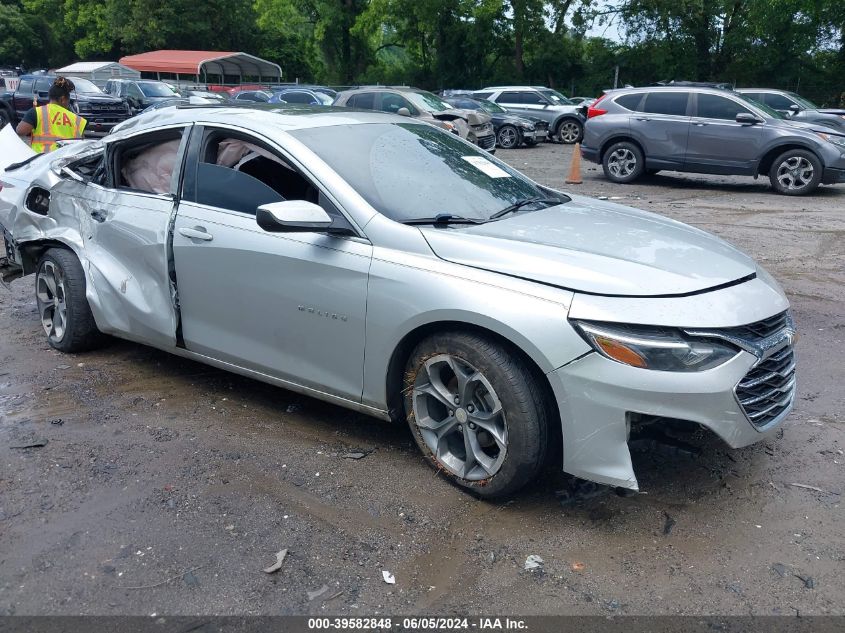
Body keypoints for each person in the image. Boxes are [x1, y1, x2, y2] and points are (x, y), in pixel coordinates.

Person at [16, 77, 87, 153]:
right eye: (68, 100)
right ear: (62, 99)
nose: (68, 104)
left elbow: (20, 131)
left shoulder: (37, 112)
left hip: (42, 161)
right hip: (66, 162)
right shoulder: (77, 120)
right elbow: (81, 147)